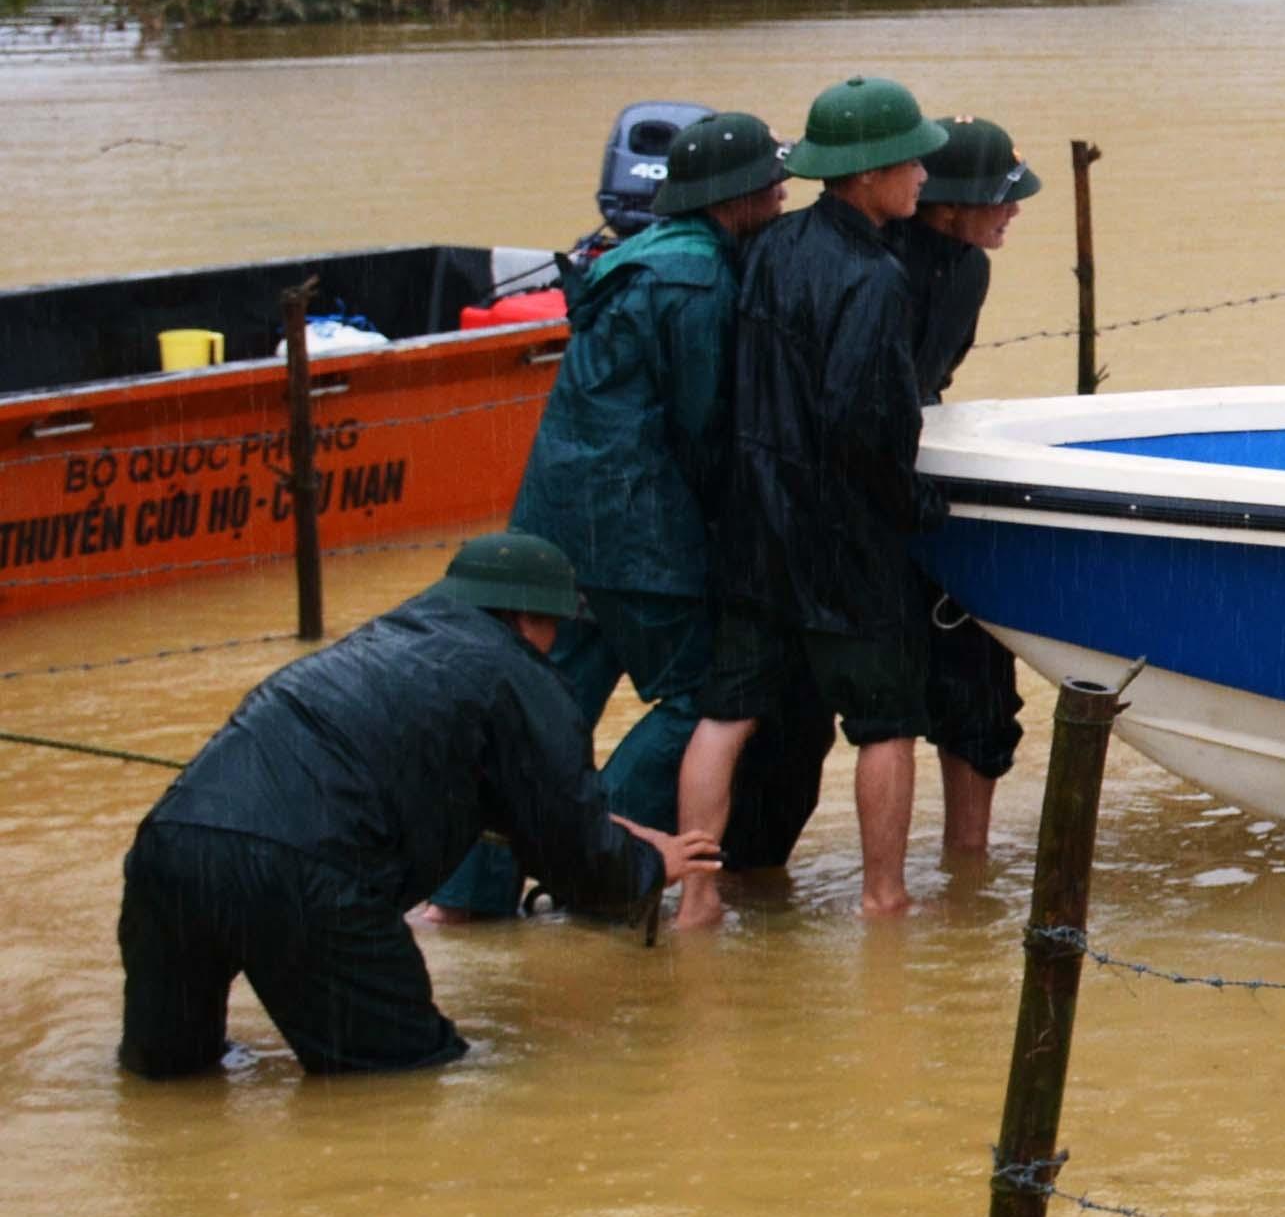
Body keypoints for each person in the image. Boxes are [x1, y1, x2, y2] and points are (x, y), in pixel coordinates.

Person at [116, 533, 717, 1077]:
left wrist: (614, 833)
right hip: (305, 875)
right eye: (557, 625)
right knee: (407, 1086)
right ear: (527, 616)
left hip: (168, 850)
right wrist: (647, 864)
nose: (557, 643)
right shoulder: (521, 679)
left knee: (170, 1082)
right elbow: (572, 851)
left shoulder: (384, 640)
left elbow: (520, 809)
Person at [423, 111, 788, 921]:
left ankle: (464, 897)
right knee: (705, 696)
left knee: (540, 712)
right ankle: (594, 860)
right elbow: (700, 430)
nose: (784, 191)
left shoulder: (635, 255)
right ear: (737, 197)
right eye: (773, 181)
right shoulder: (700, 284)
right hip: (637, 532)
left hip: (558, 526)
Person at [676, 76, 948, 925]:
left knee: (726, 714)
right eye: (909, 161)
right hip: (840, 539)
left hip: (753, 526)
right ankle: (883, 895)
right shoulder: (873, 278)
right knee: (886, 720)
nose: (922, 177)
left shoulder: (770, 247)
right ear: (865, 174)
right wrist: (909, 506)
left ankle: (695, 899)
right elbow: (862, 420)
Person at [898, 117, 1040, 861]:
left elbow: (932, 380)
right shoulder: (875, 268)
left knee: (978, 671)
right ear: (945, 204)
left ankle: (967, 858)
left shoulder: (970, 271)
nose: (1013, 210)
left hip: (919, 476)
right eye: (1001, 197)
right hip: (868, 492)